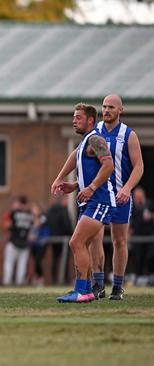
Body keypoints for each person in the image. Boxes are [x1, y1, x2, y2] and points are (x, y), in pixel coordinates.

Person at [51, 103, 114, 303]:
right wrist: (72, 184)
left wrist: (91, 188)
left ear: (90, 120)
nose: (74, 120)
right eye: (74, 117)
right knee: (82, 244)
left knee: (76, 242)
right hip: (89, 201)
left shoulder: (96, 138)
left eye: (78, 117)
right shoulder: (86, 141)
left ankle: (82, 291)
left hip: (98, 200)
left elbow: (109, 166)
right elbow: (78, 159)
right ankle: (85, 290)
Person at [88, 94, 144, 300]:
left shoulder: (129, 135)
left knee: (119, 240)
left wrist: (127, 188)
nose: (106, 110)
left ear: (120, 110)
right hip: (100, 195)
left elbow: (139, 166)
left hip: (120, 195)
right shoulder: (95, 132)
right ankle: (98, 284)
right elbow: (82, 159)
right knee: (95, 238)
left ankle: (118, 287)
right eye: (104, 106)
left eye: (111, 106)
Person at [2, 196, 33, 286]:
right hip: (24, 242)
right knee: (22, 266)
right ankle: (19, 283)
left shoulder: (13, 213)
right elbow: (33, 226)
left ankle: (7, 282)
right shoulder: (29, 214)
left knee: (9, 264)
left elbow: (7, 225)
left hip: (13, 241)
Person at [46, 196, 73, 284]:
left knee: (55, 258)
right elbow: (66, 224)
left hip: (53, 238)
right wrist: (70, 234)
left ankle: (54, 278)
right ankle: (64, 278)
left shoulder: (50, 211)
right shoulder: (63, 210)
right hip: (64, 238)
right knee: (64, 259)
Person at [129, 187, 153, 285]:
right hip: (136, 236)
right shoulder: (132, 207)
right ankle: (138, 277)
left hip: (150, 236)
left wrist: (151, 216)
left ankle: (150, 276)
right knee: (137, 257)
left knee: (150, 256)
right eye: (136, 196)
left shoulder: (150, 204)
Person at [28, 203, 49, 287]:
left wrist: (36, 220)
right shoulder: (30, 219)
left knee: (38, 260)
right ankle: (37, 277)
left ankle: (41, 278)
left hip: (41, 242)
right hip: (33, 243)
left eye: (35, 209)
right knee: (35, 260)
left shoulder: (42, 217)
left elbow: (39, 224)